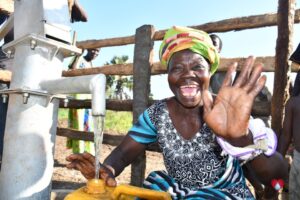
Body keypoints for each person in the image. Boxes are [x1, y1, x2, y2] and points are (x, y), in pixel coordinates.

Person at [66, 26, 288, 199]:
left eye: (197, 67)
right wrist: (107, 169)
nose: (187, 74)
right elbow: (124, 153)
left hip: (223, 193)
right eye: (177, 68)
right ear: (168, 76)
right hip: (174, 191)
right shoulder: (157, 115)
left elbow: (278, 175)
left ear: (209, 72)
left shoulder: (227, 111)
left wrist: (242, 140)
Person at [67, 48, 100, 154]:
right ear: (88, 50)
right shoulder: (80, 59)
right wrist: (77, 56)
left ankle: (86, 151)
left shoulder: (91, 64)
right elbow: (72, 69)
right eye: (93, 50)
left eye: (98, 51)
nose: (95, 53)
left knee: (87, 124)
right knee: (78, 123)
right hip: (78, 95)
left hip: (87, 97)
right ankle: (78, 151)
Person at [277, 69, 300, 199]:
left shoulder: (294, 102)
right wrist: (278, 159)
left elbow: (286, 136)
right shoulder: (294, 103)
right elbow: (286, 136)